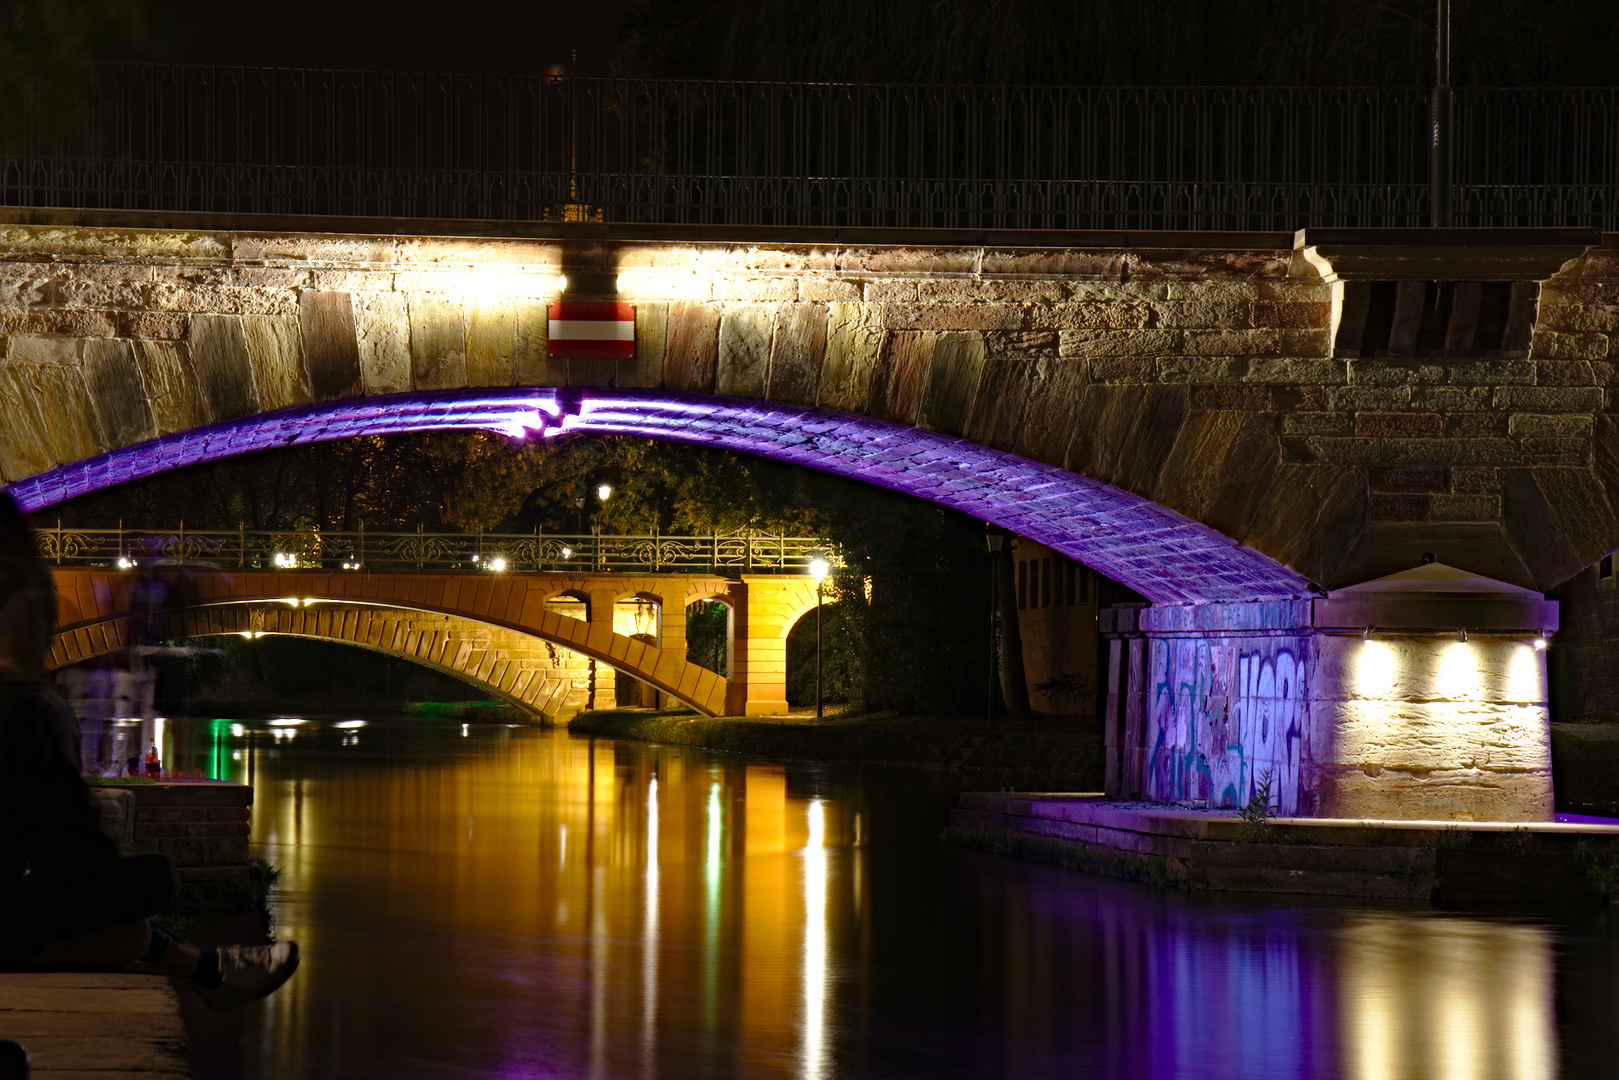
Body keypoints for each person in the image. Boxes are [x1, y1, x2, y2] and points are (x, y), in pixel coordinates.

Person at [0, 492, 297, 1008]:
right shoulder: (22, 714)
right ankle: (208, 971)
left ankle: (209, 971)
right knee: (147, 886)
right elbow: (80, 860)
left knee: (114, 918)